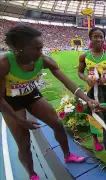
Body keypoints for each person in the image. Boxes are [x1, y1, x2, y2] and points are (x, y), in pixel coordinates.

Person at [0, 25, 100, 180]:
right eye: (37, 48)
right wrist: (21, 120)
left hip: (31, 94)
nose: (41, 52)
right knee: (24, 143)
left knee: (57, 124)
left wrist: (88, 100)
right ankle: (32, 174)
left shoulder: (44, 60)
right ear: (20, 48)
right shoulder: (4, 64)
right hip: (9, 101)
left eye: (42, 47)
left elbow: (68, 83)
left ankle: (67, 155)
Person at [78, 27, 106, 151]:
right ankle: (95, 139)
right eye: (96, 36)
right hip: (91, 91)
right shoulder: (84, 56)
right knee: (93, 114)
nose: (99, 39)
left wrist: (105, 80)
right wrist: (86, 78)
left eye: (101, 37)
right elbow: (80, 73)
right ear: (90, 38)